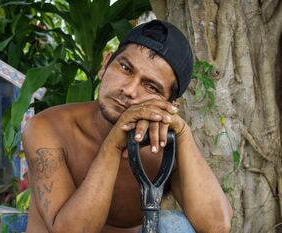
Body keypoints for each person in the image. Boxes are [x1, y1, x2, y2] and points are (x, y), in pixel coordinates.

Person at [22, 20, 233, 233]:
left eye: (150, 86)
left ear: (168, 106)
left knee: (174, 226)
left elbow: (216, 227)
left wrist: (183, 134)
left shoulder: (166, 149)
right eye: (125, 68)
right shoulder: (48, 128)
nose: (130, 90)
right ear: (105, 65)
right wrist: (113, 145)